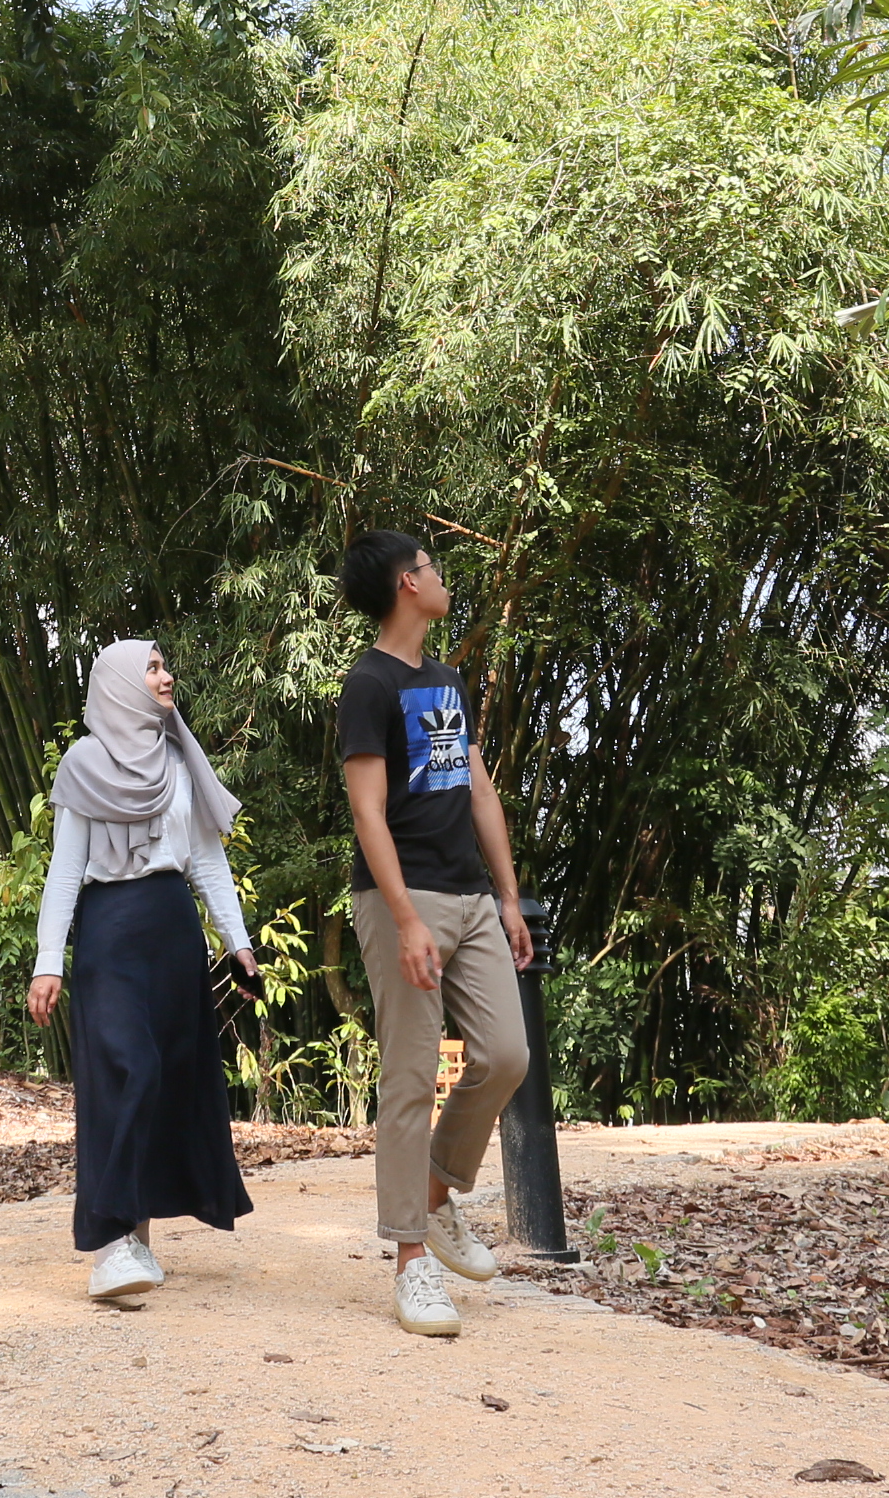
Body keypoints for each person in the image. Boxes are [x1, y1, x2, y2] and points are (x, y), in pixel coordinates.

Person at [335, 529, 533, 1338]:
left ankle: (439, 1191)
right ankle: (411, 1261)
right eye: (433, 568)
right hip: (400, 900)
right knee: (411, 1075)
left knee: (507, 1054)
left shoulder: (447, 680)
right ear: (407, 583)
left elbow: (480, 793)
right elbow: (367, 812)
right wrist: (407, 918)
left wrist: (511, 899)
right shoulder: (367, 684)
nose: (443, 579)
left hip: (472, 896)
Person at [28, 637, 258, 1303]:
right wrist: (49, 963)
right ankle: (108, 1243)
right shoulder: (84, 764)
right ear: (122, 682)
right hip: (110, 935)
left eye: (163, 664)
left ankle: (138, 1236)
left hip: (172, 932)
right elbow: (64, 871)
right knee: (130, 1070)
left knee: (167, 1082)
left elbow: (206, 862)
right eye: (152, 667)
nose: (165, 675)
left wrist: (237, 943)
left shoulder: (179, 761)